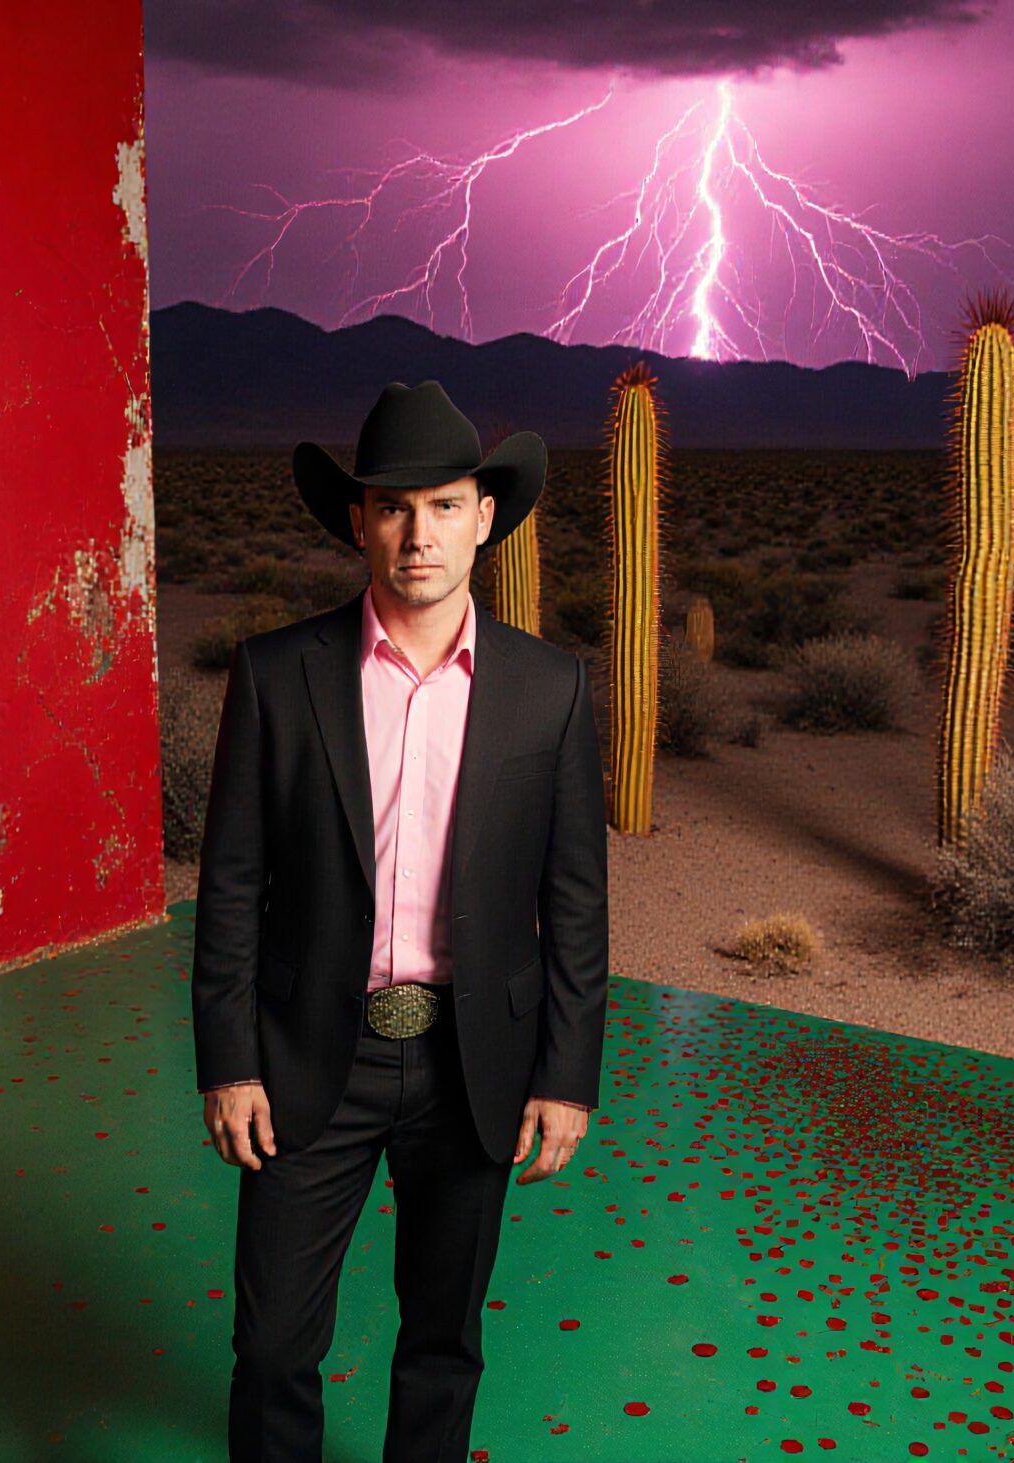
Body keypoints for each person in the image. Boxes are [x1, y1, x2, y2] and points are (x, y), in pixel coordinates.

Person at [190, 380, 610, 1463]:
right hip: (307, 1056)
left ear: (484, 517)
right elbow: (231, 884)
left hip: (473, 1062)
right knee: (271, 1343)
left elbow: (573, 900)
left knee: (443, 1340)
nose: (418, 534)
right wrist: (228, 1060)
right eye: (392, 507)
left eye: (443, 505)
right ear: (357, 521)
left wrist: (567, 1074)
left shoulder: (550, 688)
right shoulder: (277, 674)